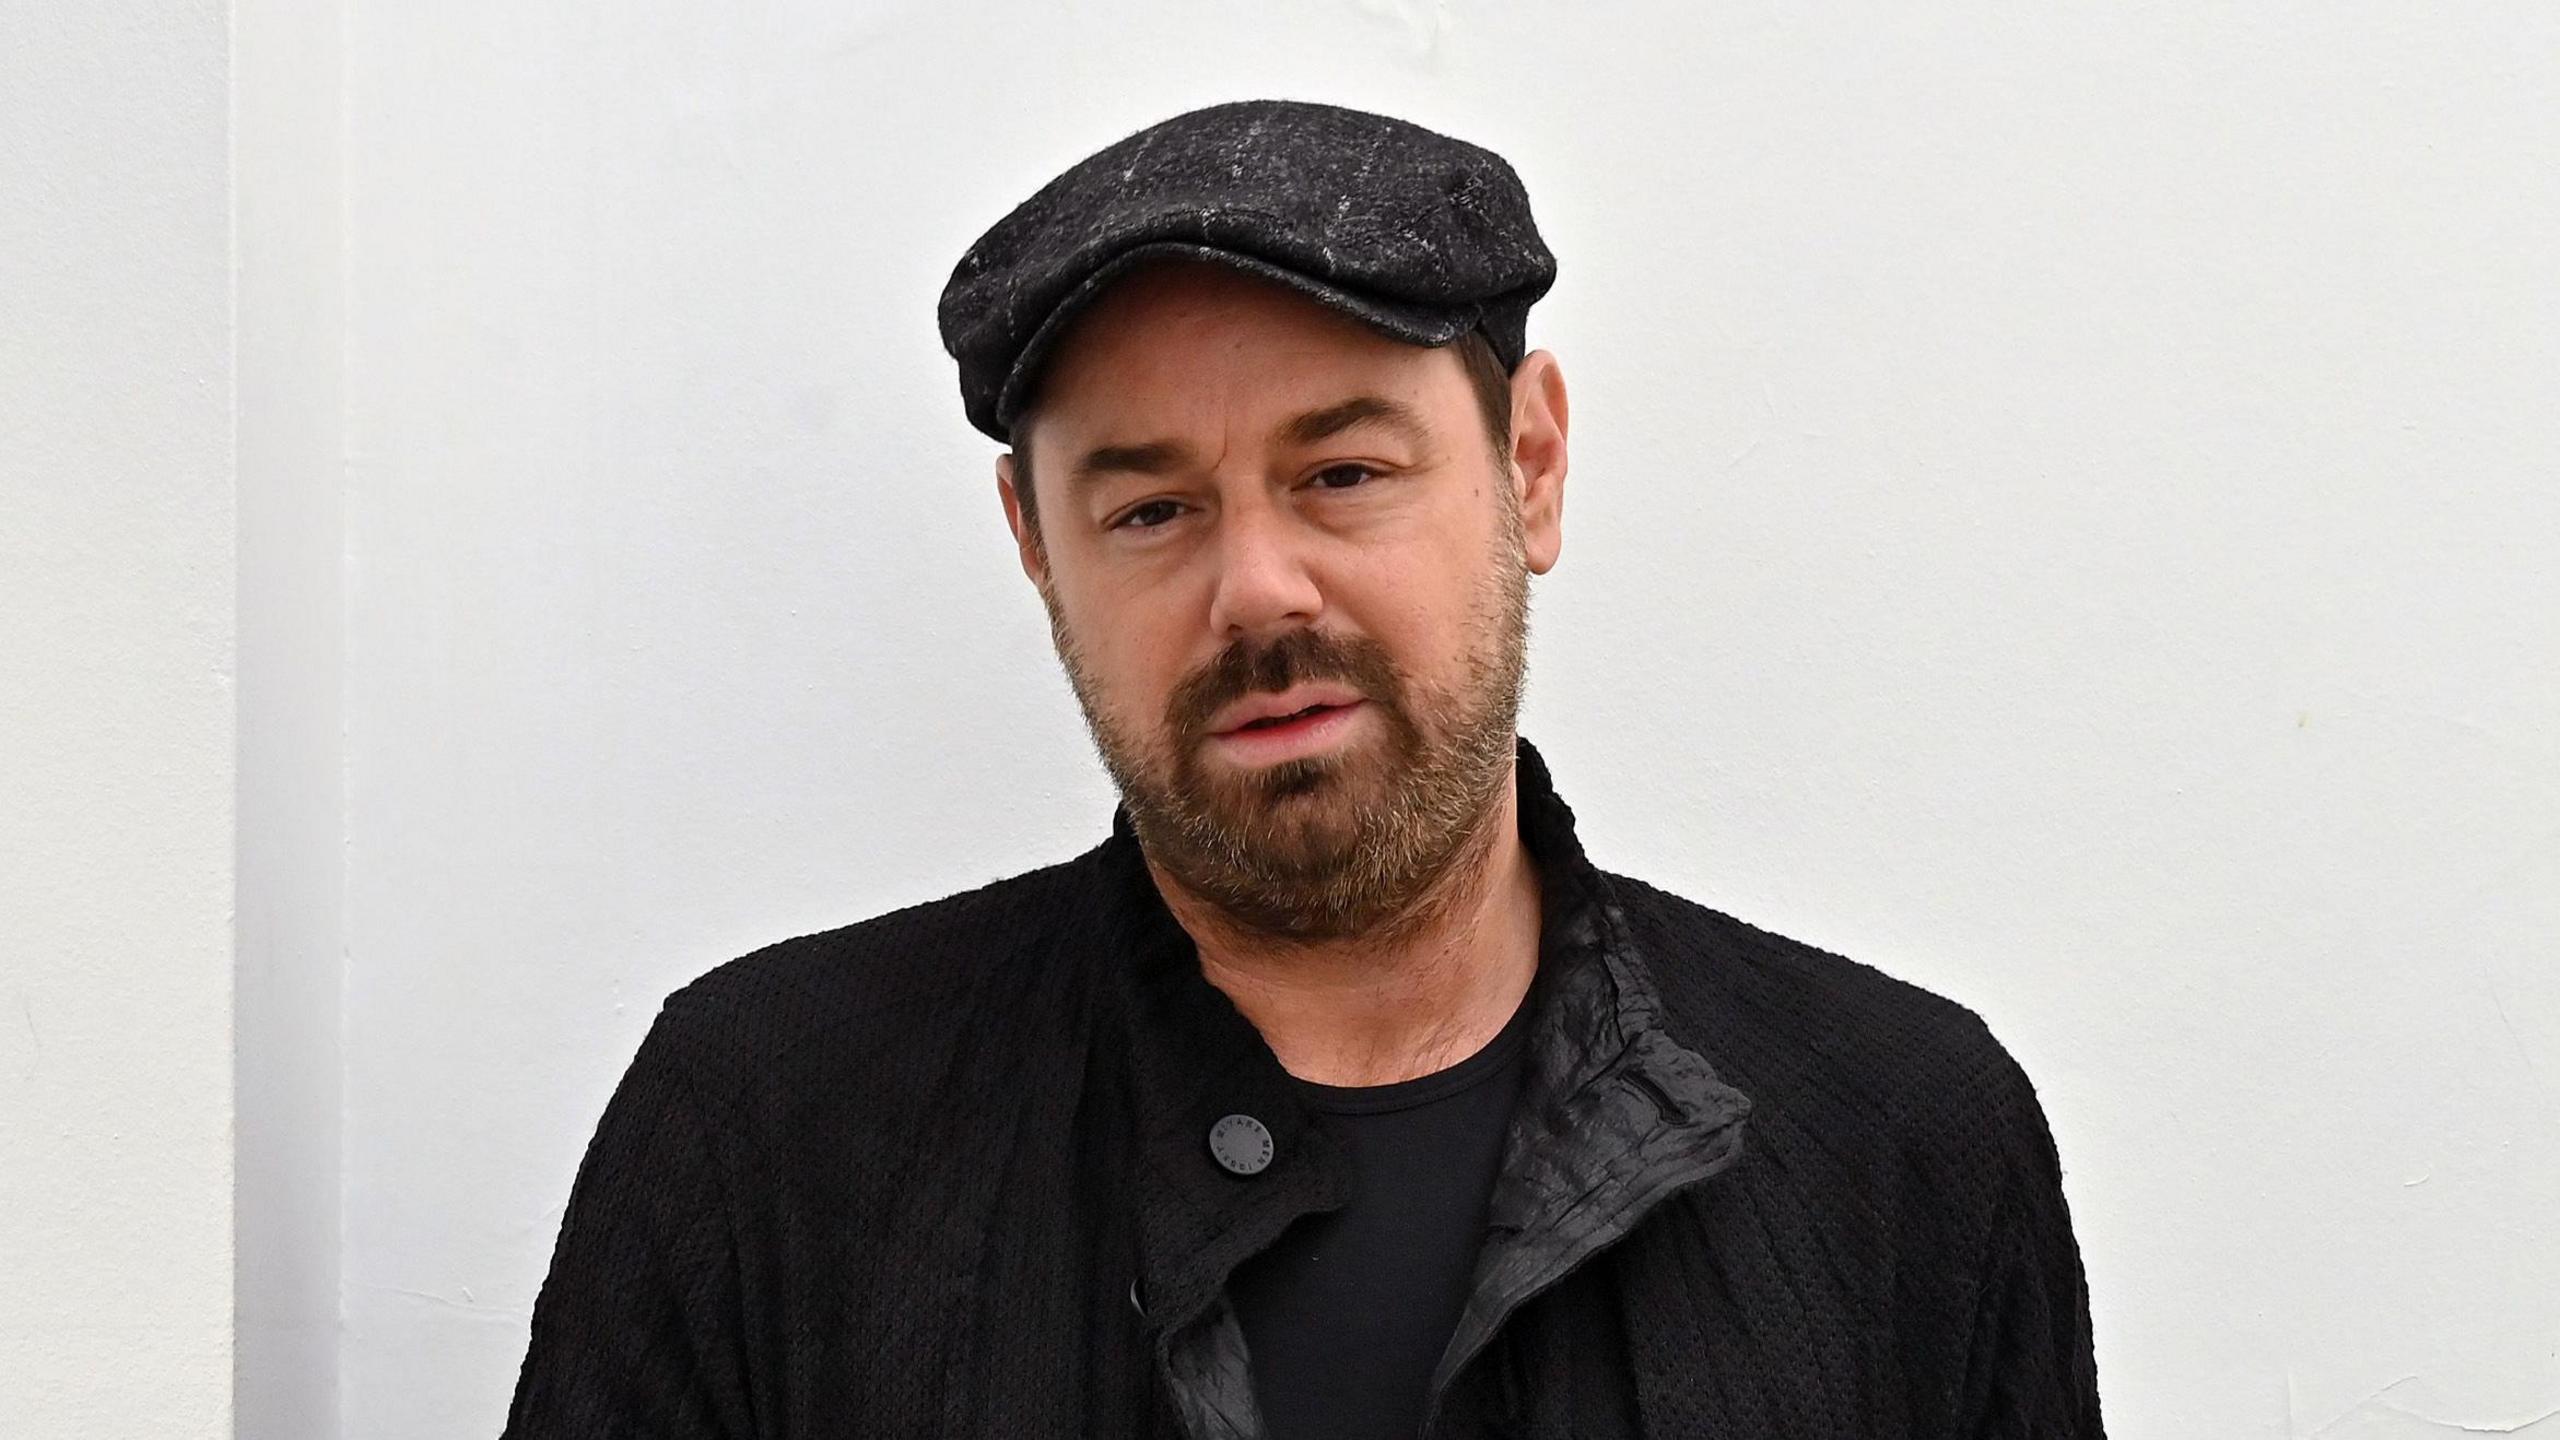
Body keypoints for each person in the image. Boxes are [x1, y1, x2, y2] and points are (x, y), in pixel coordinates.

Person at [501, 98, 2106, 1439]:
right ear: (1037, 550)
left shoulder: (1900, 1142)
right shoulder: (769, 1139)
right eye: (1150, 510)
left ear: (1530, 466)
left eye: (1343, 472)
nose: (1258, 588)